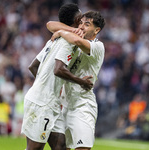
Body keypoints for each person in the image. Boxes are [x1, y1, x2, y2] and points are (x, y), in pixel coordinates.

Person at [21, 3, 93, 150]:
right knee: (35, 148)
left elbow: (33, 66)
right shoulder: (69, 41)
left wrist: (47, 86)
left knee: (61, 146)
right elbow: (58, 70)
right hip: (42, 103)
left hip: (50, 102)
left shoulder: (54, 39)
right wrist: (81, 82)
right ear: (77, 19)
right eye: (81, 18)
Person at [49, 10, 105, 150]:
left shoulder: (98, 46)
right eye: (80, 23)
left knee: (82, 148)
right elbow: (50, 24)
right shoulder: (73, 40)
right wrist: (71, 29)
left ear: (96, 30)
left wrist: (61, 32)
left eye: (87, 24)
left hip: (83, 106)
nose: (81, 27)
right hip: (65, 106)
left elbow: (77, 40)